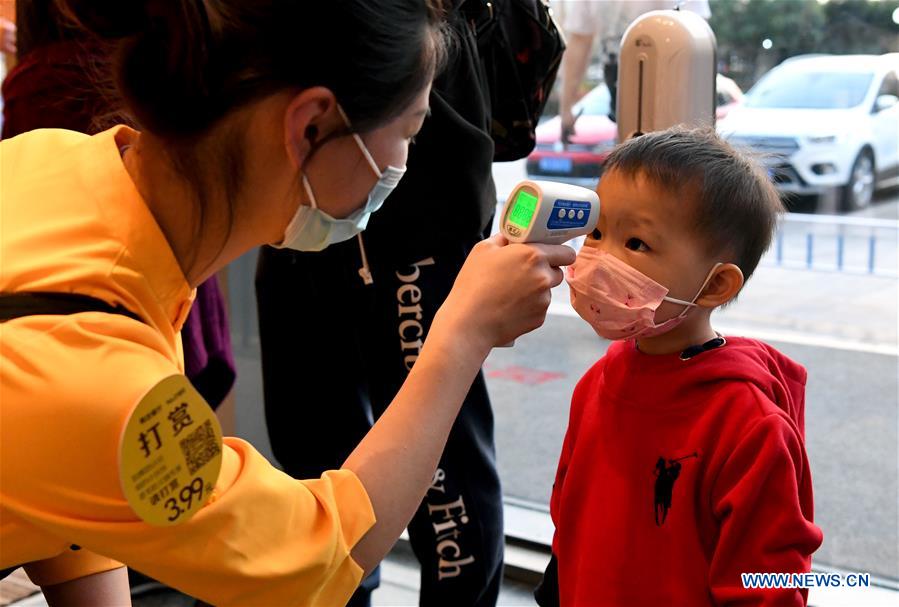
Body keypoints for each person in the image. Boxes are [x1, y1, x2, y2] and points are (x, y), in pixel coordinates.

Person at [0, 2, 575, 606]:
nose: (402, 164)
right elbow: (317, 555)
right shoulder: (102, 383)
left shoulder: (50, 161)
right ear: (310, 127)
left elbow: (69, 481)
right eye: (408, 131)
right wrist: (464, 331)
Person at [254, 2, 505, 605]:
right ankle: (337, 590)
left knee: (440, 457)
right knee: (312, 443)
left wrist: (406, 135)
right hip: (305, 177)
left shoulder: (412, 127)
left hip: (413, 207)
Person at [534, 127, 824, 606]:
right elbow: (571, 521)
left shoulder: (747, 425)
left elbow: (770, 583)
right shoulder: (596, 384)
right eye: (598, 232)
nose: (599, 258)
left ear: (714, 287)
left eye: (636, 244)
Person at [557, 0, 710, 138]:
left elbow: (696, 30)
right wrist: (565, 107)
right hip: (622, 87)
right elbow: (579, 40)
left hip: (672, 87)